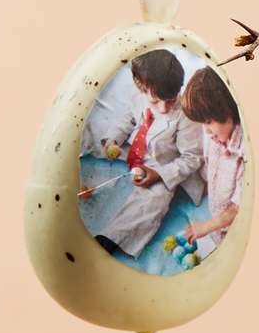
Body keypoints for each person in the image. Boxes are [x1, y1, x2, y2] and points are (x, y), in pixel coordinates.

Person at [81, 49, 204, 260]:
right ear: (140, 86)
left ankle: (109, 239)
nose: (164, 108)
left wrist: (160, 175)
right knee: (95, 133)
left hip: (161, 166)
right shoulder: (136, 96)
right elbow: (126, 120)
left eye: (171, 100)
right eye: (156, 101)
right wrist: (113, 140)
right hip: (134, 150)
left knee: (154, 200)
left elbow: (192, 158)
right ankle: (72, 149)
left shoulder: (185, 115)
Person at [178, 64, 247, 260]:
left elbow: (237, 208)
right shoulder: (214, 137)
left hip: (232, 228)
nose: (206, 130)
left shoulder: (243, 155)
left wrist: (206, 227)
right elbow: (208, 166)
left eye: (209, 121)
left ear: (229, 112)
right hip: (218, 219)